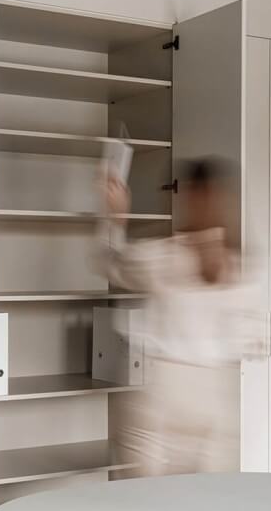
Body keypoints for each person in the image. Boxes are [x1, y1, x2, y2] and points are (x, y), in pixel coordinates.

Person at [99, 158, 261, 477]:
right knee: (206, 505)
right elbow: (254, 340)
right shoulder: (244, 269)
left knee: (142, 502)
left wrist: (115, 216)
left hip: (162, 394)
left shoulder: (164, 256)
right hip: (215, 395)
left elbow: (109, 263)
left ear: (186, 197)